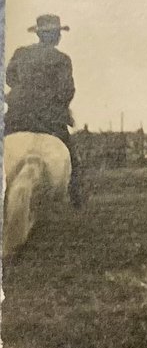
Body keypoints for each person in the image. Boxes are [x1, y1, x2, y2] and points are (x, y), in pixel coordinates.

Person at [5, 14, 83, 207]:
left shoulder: (20, 53)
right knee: (72, 157)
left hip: (16, 117)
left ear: (39, 35)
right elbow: (67, 90)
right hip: (49, 120)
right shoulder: (62, 59)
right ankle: (76, 198)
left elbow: (9, 79)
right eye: (57, 33)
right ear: (55, 35)